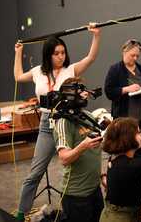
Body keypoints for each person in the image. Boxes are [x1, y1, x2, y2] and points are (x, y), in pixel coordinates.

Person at [13, 24, 101, 221]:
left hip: (70, 122)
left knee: (80, 166)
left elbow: (91, 57)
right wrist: (18, 52)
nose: (61, 56)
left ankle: (77, 206)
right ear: (48, 55)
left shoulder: (70, 69)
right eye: (56, 53)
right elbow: (18, 77)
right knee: (35, 173)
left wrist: (96, 36)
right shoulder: (38, 71)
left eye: (63, 52)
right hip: (47, 124)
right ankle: (20, 214)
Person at [53, 77, 104, 222]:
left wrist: (102, 175)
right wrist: (83, 146)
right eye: (80, 91)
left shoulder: (87, 116)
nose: (86, 94)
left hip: (95, 189)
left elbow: (95, 150)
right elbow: (64, 158)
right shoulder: (63, 122)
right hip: (76, 195)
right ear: (69, 94)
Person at [104, 39, 141, 155]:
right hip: (123, 120)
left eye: (137, 56)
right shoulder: (115, 70)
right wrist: (126, 89)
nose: (135, 58)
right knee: (123, 151)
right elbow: (109, 91)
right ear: (124, 52)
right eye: (132, 55)